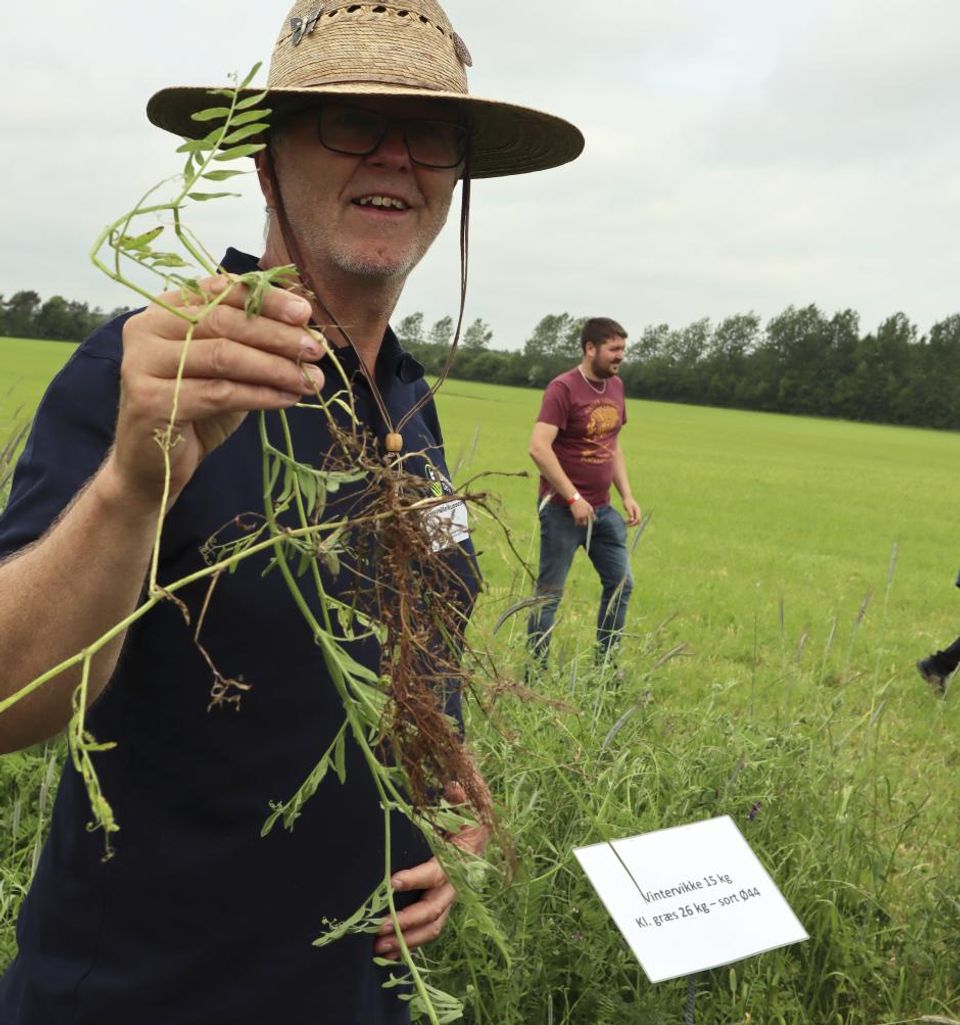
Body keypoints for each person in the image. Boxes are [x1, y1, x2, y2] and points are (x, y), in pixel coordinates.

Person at [0, 2, 583, 1022]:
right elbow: (9, 700)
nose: (397, 156)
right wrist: (136, 483)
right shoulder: (155, 371)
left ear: (458, 174)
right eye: (352, 119)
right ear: (265, 151)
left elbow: (411, 621)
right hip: (155, 996)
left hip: (361, 991)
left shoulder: (407, 399)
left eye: (431, 132)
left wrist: (440, 786)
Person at [526, 317, 641, 665]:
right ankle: (536, 673)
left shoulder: (616, 387)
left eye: (623, 348)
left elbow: (612, 445)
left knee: (621, 584)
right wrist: (573, 497)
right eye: (614, 349)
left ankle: (604, 669)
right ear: (590, 348)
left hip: (603, 511)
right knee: (549, 596)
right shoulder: (563, 389)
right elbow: (538, 448)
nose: (620, 356)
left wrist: (627, 495)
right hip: (562, 510)